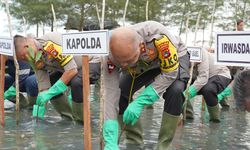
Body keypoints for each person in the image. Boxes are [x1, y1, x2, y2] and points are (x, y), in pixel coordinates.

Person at [102, 21, 190, 150]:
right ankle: (134, 141)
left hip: (174, 59)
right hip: (142, 65)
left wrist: (141, 101)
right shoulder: (108, 55)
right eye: (121, 63)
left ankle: (164, 145)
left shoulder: (159, 37)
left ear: (141, 46)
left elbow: (170, 74)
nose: (125, 66)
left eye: (129, 60)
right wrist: (109, 138)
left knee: (175, 91)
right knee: (121, 92)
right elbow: (110, 93)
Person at [13, 33, 86, 121]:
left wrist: (50, 93)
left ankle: (81, 122)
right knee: (52, 82)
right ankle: (68, 118)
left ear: (26, 46)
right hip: (69, 68)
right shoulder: (34, 57)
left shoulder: (48, 45)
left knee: (76, 82)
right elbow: (44, 85)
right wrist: (40, 108)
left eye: (23, 56)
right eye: (22, 59)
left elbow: (72, 70)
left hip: (89, 62)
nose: (26, 59)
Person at [184, 49, 232, 122]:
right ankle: (188, 116)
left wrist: (189, 92)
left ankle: (215, 119)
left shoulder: (200, 53)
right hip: (199, 77)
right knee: (180, 90)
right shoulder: (180, 56)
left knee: (208, 90)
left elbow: (203, 77)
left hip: (219, 74)